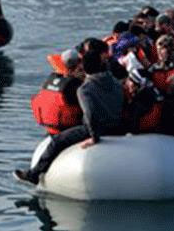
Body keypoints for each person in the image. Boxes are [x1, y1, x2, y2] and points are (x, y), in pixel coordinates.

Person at [14, 50, 124, 185]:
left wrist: (93, 137)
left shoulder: (85, 89)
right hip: (117, 125)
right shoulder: (115, 82)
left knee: (57, 141)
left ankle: (34, 174)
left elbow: (90, 113)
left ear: (84, 68)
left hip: (96, 128)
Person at [30, 49, 85, 135]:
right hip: (69, 128)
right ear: (79, 64)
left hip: (50, 128)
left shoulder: (51, 79)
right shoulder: (75, 85)